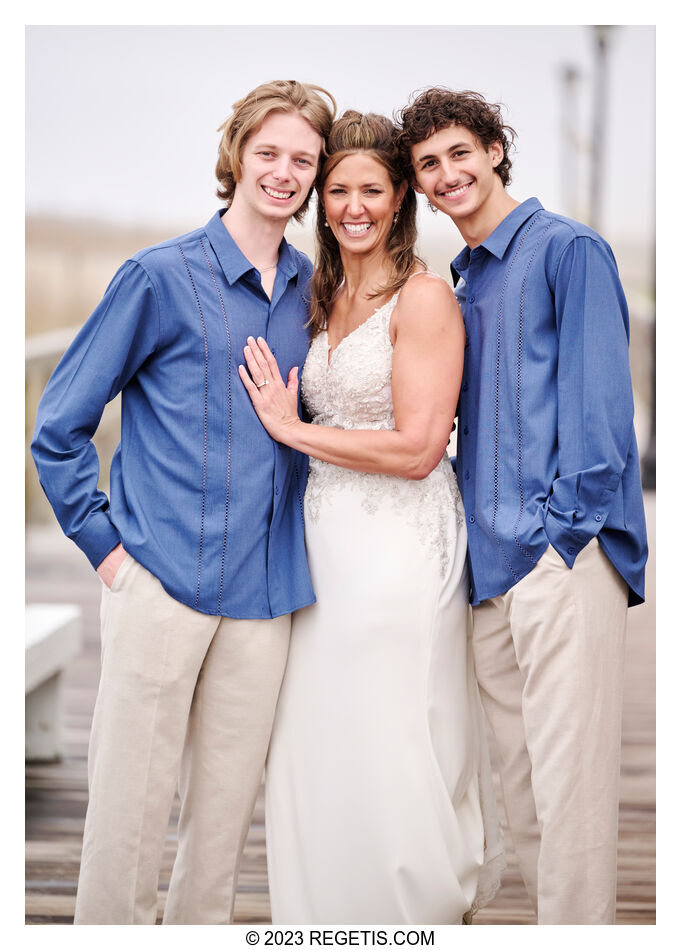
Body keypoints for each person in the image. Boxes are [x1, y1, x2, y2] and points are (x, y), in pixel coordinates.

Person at [31, 79, 335, 925]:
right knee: (127, 818)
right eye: (268, 153)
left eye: (302, 160)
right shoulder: (158, 278)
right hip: (159, 581)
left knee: (220, 834)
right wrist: (109, 553)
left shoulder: (316, 293)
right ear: (235, 155)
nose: (284, 172)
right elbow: (58, 427)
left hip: (265, 601)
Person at [239, 110, 504, 925]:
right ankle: (322, 922)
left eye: (371, 191)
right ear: (321, 202)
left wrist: (290, 428)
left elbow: (421, 446)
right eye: (337, 190)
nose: (352, 205)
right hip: (323, 548)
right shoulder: (325, 295)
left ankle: (408, 918)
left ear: (399, 201)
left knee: (391, 733)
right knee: (319, 740)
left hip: (397, 547)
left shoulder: (423, 299)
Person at [395, 87, 648, 925]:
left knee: (571, 790)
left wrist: (559, 540)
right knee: (521, 784)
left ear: (496, 151)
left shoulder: (568, 251)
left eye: (459, 154)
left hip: (559, 561)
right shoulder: (462, 278)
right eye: (428, 165)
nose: (446, 174)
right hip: (487, 565)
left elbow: (601, 416)